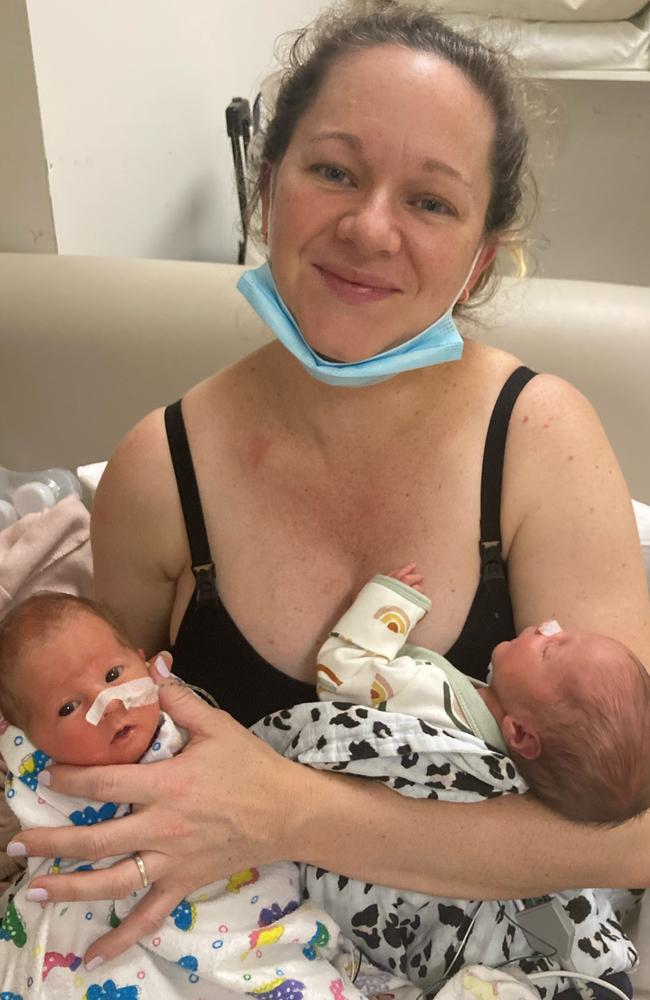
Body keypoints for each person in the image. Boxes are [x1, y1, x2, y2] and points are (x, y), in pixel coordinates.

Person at [7, 4, 649, 981]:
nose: (367, 226)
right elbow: (88, 730)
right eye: (333, 171)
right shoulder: (156, 470)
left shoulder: (537, 439)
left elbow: (631, 831)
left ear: (480, 254)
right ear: (266, 188)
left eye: (430, 202)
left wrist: (286, 810)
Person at [0, 592, 365, 999]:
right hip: (108, 928)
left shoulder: (193, 727)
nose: (109, 705)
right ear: (29, 735)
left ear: (145, 663)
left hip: (233, 904)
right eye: (68, 707)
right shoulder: (46, 777)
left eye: (112, 675)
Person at [316, 564, 650, 826]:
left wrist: (389, 606)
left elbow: (341, 675)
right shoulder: (505, 765)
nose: (547, 626)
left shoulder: (436, 705)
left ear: (519, 732)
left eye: (549, 649)